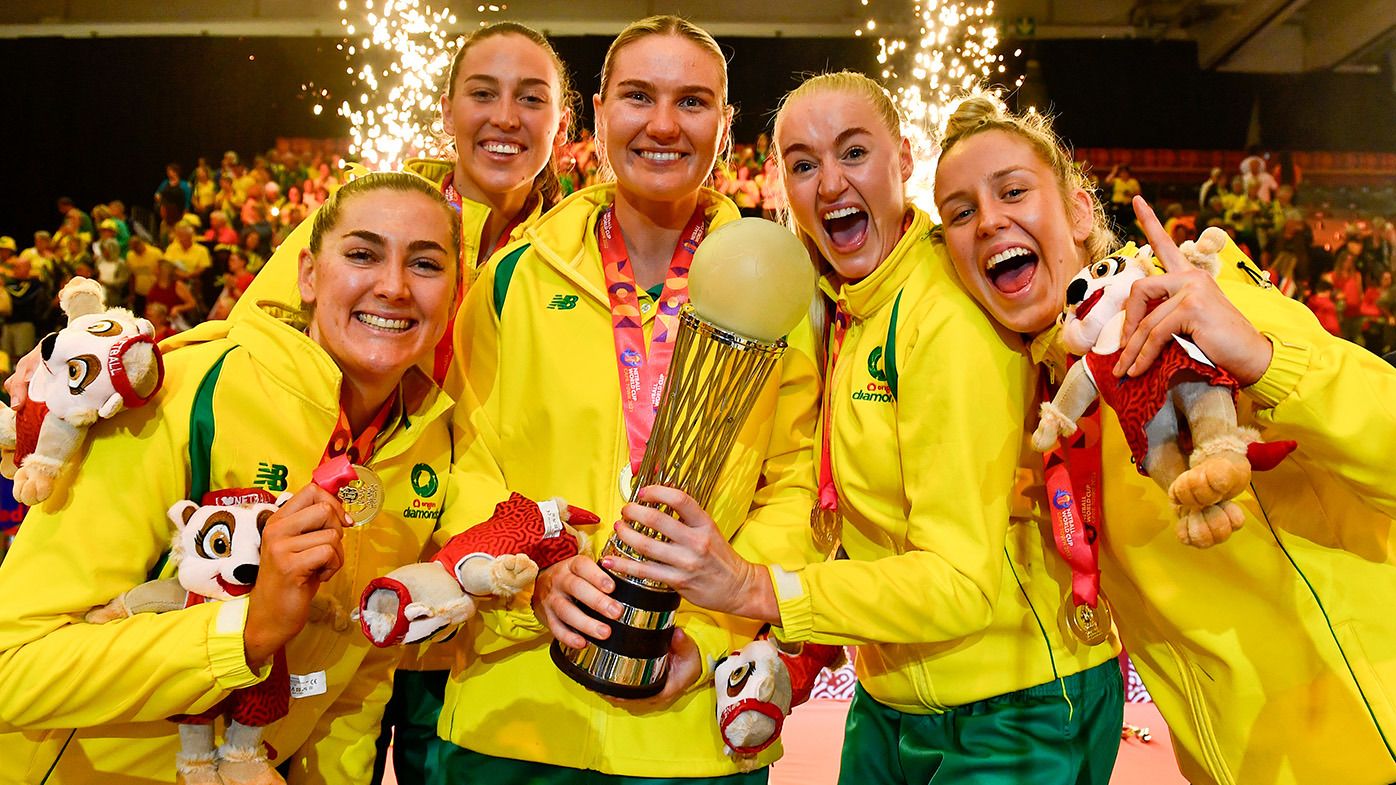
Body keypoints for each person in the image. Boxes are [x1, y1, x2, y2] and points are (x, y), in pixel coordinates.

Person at [586, 71, 1123, 784]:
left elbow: (961, 583)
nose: (830, 183)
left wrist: (754, 587)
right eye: (804, 165)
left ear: (904, 159)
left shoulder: (947, 316)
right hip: (892, 694)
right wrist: (764, 645)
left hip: (1015, 704)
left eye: (853, 152)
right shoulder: (838, 302)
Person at [931, 91, 1396, 785]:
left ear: (1080, 210)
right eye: (960, 211)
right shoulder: (1052, 390)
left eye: (1013, 191)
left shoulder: (1196, 297)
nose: (989, 219)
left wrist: (1267, 359)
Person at [435, 15, 818, 783]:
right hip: (515, 715)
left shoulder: (777, 285)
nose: (664, 125)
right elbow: (466, 458)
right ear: (599, 113)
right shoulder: (516, 276)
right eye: (639, 97)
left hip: (693, 725)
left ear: (726, 124)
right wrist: (528, 579)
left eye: (694, 101)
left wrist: (716, 635)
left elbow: (796, 486)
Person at [0, 171, 461, 784]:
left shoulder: (425, 442)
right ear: (306, 275)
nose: (395, 287)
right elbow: (13, 667)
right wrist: (246, 632)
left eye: (426, 265)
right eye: (361, 254)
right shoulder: (186, 394)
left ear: (455, 293)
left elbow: (353, 683)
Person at [226, 21, 578, 784]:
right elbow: (248, 344)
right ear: (447, 108)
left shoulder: (572, 253)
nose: (506, 117)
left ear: (563, 121)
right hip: (332, 556)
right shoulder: (370, 216)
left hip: (473, 582)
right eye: (483, 94)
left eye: (532, 98)